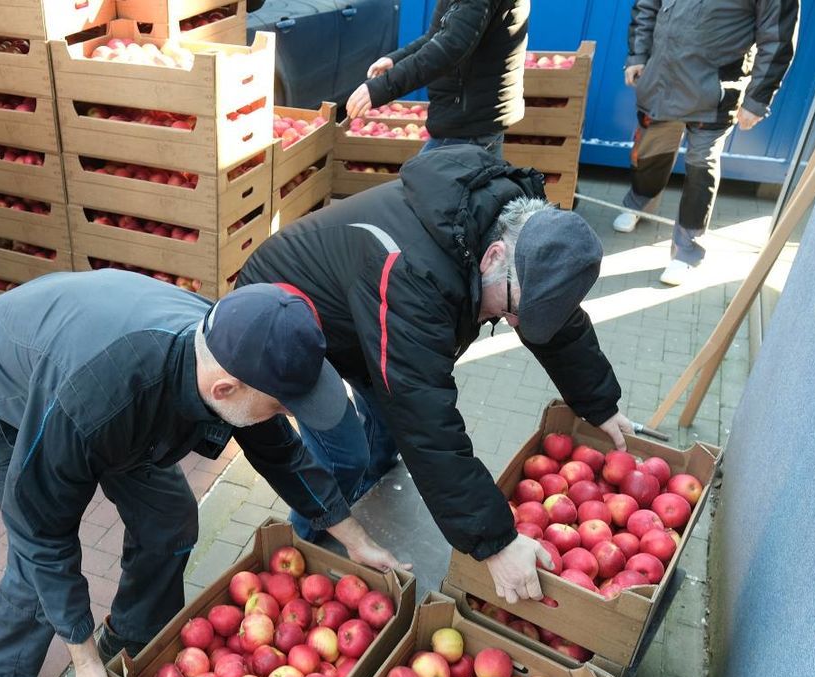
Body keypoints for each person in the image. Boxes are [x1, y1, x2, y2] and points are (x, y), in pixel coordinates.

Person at [0, 270, 405, 677]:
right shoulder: (97, 400)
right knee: (36, 557)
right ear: (225, 390)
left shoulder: (233, 346)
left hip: (98, 390)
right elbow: (42, 532)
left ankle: (132, 630)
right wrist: (83, 661)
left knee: (170, 518)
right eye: (282, 406)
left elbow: (281, 453)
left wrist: (354, 538)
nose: (287, 415)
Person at [236, 144, 635, 607]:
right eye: (511, 311)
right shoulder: (413, 274)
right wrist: (495, 542)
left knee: (385, 422)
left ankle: (373, 481)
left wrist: (599, 403)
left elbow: (554, 321)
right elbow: (422, 415)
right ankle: (308, 536)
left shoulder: (522, 239)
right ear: (492, 257)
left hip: (362, 313)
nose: (515, 324)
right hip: (285, 319)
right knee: (344, 453)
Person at [613, 0, 798, 286]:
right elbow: (647, 5)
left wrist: (758, 98)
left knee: (701, 165)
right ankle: (640, 201)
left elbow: (777, 37)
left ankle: (686, 251)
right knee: (651, 148)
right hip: (660, 81)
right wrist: (638, 54)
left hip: (714, 92)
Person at [346, 0, 528, 158]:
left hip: (469, 125)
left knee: (421, 190)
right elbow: (441, 34)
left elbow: (452, 45)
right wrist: (397, 59)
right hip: (471, 120)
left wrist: (382, 87)